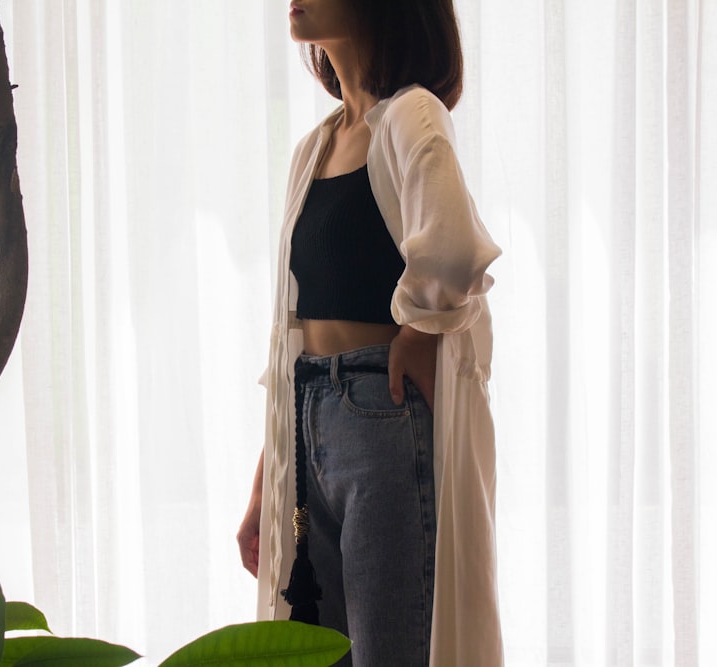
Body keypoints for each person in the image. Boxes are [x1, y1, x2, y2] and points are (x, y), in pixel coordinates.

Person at [236, 1, 504, 665]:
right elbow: (292, 335)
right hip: (308, 426)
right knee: (309, 651)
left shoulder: (411, 114)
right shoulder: (315, 148)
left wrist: (417, 329)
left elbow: (451, 246)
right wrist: (266, 477)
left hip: (377, 418)